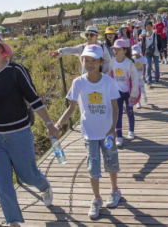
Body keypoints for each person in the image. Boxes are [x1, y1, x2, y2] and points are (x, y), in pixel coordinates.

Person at [0, 31, 58, 227]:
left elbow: (34, 99)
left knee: (28, 176)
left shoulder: (16, 71)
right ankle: (13, 223)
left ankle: (44, 186)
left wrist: (49, 124)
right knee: (3, 185)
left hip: (19, 134)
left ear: (1, 48)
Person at [55, 44, 121, 219]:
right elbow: (71, 108)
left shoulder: (109, 82)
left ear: (101, 61)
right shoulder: (78, 82)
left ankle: (115, 190)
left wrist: (113, 128)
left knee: (111, 162)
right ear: (81, 61)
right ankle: (96, 198)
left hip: (107, 132)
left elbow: (115, 107)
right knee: (93, 166)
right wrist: (59, 124)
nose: (90, 63)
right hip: (89, 133)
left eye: (94, 60)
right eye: (86, 60)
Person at [109, 39, 139, 146]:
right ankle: (119, 136)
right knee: (117, 114)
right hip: (117, 93)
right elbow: (109, 76)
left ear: (124, 51)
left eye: (118, 49)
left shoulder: (129, 63)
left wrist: (134, 94)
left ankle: (131, 130)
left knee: (130, 111)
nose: (116, 51)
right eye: (114, 49)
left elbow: (135, 79)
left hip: (128, 93)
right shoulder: (112, 62)